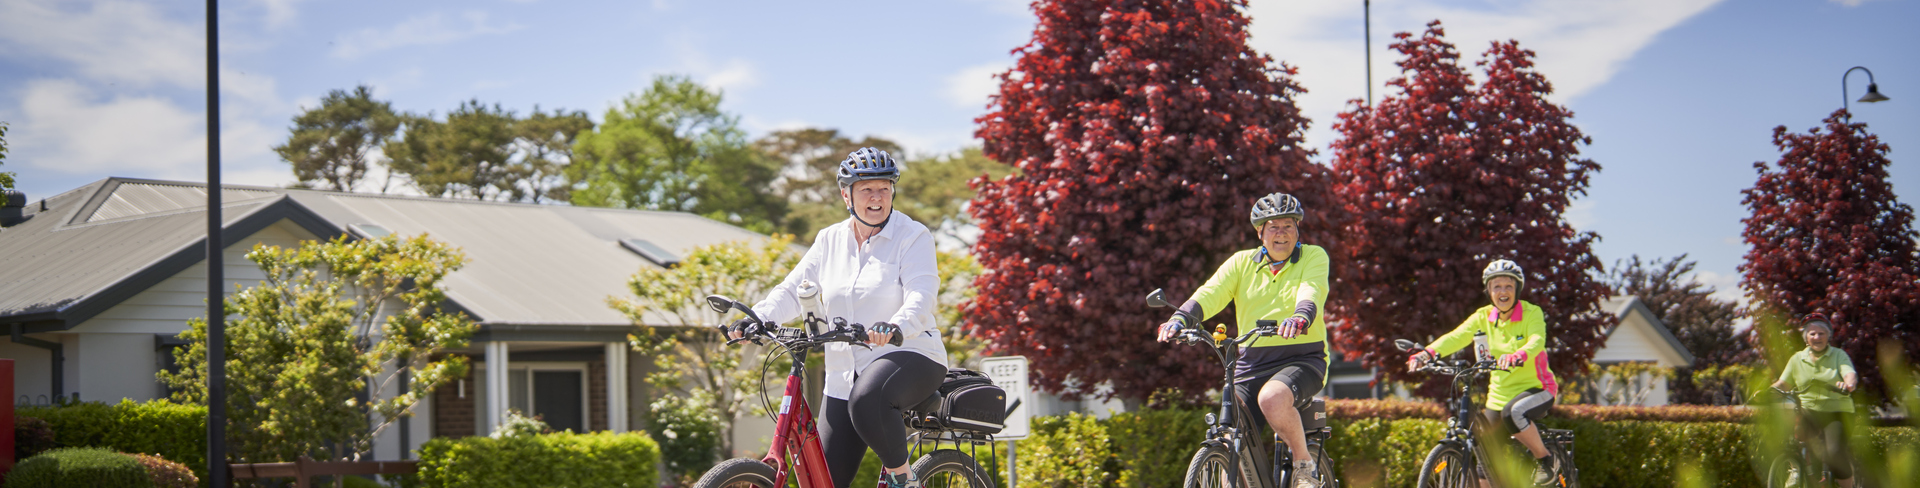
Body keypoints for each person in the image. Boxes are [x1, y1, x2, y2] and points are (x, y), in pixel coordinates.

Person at [728, 147, 949, 488]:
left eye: (884, 188)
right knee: (823, 480)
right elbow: (792, 289)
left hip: (910, 355)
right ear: (846, 195)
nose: (877, 197)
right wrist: (756, 317)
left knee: (868, 397)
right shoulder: (829, 240)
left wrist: (895, 326)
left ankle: (905, 480)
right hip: (843, 373)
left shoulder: (913, 236)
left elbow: (921, 296)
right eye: (866, 189)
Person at [1156, 193, 1332, 488]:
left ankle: (1304, 466)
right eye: (1273, 226)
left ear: (1298, 229)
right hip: (1251, 363)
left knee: (1272, 398)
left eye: (1288, 225)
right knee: (1229, 429)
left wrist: (1300, 317)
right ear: (1259, 232)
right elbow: (1211, 292)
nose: (1281, 233)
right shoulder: (1241, 263)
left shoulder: (1314, 256)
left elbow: (1311, 291)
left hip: (1302, 359)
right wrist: (1181, 318)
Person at [1406, 259, 1561, 486]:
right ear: (1489, 291)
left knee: (1513, 413)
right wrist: (1427, 354)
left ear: (1517, 289)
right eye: (1496, 286)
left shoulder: (1531, 313)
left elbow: (1537, 341)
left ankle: (1544, 460)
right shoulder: (1483, 316)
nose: (1503, 291)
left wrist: (1518, 355)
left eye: (1508, 286)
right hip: (1498, 397)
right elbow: (1456, 336)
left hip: (1537, 389)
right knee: (1484, 457)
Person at [1769, 313, 1858, 488]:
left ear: (1828, 336)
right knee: (1796, 438)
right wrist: (1767, 392)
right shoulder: (1797, 359)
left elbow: (1850, 373)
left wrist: (1848, 384)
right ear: (1806, 338)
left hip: (1837, 412)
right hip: (1809, 410)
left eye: (1821, 334)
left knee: (1834, 453)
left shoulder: (1838, 355)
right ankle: (1796, 468)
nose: (1817, 337)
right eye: (1812, 334)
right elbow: (1783, 383)